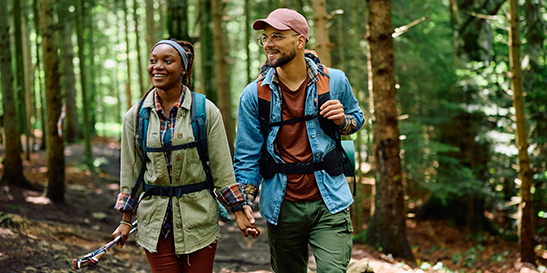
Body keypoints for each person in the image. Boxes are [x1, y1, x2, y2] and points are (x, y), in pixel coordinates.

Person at [233, 8, 365, 273]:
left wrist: (342, 121)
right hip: (282, 207)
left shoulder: (335, 80)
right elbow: (247, 157)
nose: (268, 43)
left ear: (300, 40)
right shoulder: (254, 95)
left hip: (329, 201)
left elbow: (357, 118)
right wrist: (243, 205)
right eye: (265, 37)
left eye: (277, 36)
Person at [111, 39, 256, 273]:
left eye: (168, 61)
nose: (158, 66)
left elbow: (222, 169)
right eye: (153, 61)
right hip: (154, 223)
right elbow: (131, 173)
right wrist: (126, 221)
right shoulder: (136, 116)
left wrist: (239, 211)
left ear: (184, 68)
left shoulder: (205, 111)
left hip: (199, 219)